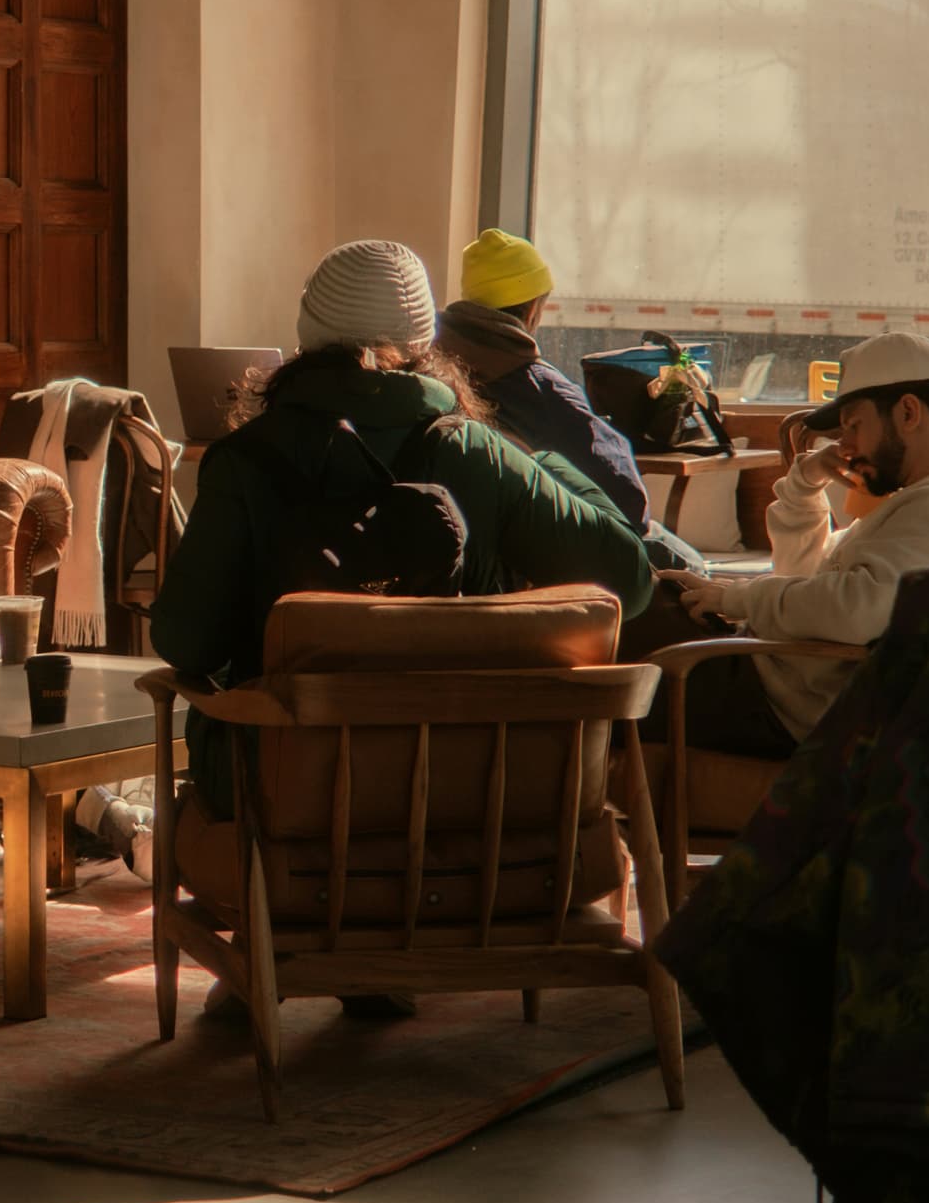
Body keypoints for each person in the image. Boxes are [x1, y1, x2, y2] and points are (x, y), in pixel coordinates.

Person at [153, 239, 658, 812]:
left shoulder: (245, 460)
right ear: (425, 344)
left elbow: (184, 643)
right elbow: (632, 582)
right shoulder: (480, 453)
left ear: (306, 338)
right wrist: (543, 463)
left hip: (285, 797)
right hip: (467, 798)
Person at [663, 331, 929, 758]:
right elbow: (805, 579)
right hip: (769, 674)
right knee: (646, 577)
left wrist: (739, 597)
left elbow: (854, 611)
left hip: (778, 703)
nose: (843, 446)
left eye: (853, 426)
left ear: (907, 412)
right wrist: (805, 487)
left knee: (621, 613)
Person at [433, 227, 656, 528]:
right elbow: (628, 503)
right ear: (533, 310)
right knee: (685, 561)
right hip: (533, 552)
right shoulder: (545, 391)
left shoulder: (427, 373)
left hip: (449, 538)